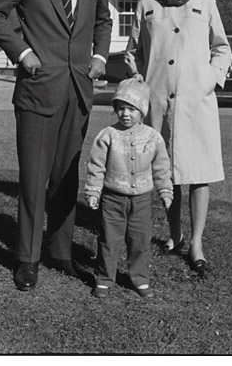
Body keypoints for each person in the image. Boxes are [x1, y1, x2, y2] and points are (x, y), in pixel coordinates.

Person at [0, 0, 113, 291]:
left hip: (78, 91)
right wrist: (22, 53)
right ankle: (27, 258)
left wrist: (101, 56)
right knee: (34, 178)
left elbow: (104, 19)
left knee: (65, 178)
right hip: (38, 90)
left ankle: (59, 251)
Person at [125, 0, 232, 279]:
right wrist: (139, 80)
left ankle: (196, 244)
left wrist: (209, 80)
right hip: (158, 101)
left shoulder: (204, 2)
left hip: (195, 102)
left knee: (199, 174)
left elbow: (222, 48)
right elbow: (135, 53)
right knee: (165, 172)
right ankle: (174, 236)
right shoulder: (146, 6)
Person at [84, 76, 173, 299]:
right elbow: (96, 166)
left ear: (142, 111)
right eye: (121, 108)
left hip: (142, 201)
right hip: (112, 198)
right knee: (109, 240)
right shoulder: (108, 136)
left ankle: (140, 278)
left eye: (131, 109)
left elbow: (162, 167)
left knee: (140, 241)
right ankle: (105, 278)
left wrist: (165, 190)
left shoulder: (153, 138)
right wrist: (94, 191)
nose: (125, 113)